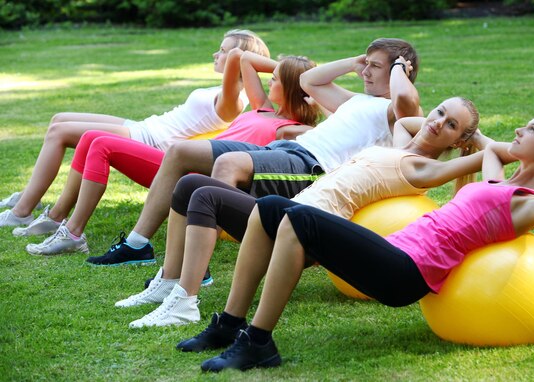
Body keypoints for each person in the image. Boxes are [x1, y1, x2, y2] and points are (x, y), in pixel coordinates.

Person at [194, 114, 534, 372]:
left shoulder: (527, 206)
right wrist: (490, 140)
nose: (519, 128)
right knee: (269, 208)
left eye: (530, 129)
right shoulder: (499, 183)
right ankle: (230, 325)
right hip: (393, 250)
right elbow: (493, 150)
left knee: (297, 217)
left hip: (406, 273)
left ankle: (259, 342)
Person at [113, 97, 491, 328]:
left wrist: (478, 141)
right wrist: (451, 129)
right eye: (440, 111)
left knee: (206, 197)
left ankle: (185, 301)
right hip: (295, 210)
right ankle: (169, 280)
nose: (437, 121)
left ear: (457, 140)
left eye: (450, 125)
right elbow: (409, 122)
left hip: (305, 229)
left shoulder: (427, 168)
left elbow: (497, 153)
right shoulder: (402, 144)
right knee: (189, 184)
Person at [88, 37, 422, 267]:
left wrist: (397, 70)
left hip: (310, 166)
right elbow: (309, 80)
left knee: (228, 165)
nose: (365, 71)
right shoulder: (357, 100)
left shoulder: (392, 110)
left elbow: (408, 101)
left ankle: (194, 270)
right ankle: (136, 244)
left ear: (398, 73)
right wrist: (355, 62)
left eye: (374, 67)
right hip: (285, 150)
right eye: (367, 64)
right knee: (180, 153)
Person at [23, 51, 321, 256]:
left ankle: (73, 234)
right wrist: (292, 68)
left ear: (293, 89)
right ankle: (60, 218)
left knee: (100, 143)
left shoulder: (289, 129)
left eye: (277, 79)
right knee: (90, 138)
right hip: (184, 163)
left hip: (195, 173)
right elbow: (242, 58)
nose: (270, 79)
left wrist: (302, 78)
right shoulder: (263, 107)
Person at [0, 30, 269, 228]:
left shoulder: (233, 101)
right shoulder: (221, 90)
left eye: (222, 51)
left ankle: (23, 210)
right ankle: (27, 196)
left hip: (150, 142)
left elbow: (235, 58)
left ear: (241, 60)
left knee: (59, 134)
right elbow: (234, 58)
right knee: (59, 119)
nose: (217, 54)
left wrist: (238, 55)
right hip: (145, 127)